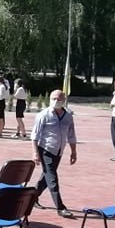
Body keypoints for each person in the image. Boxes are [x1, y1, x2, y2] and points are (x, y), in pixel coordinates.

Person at [31, 89, 77, 219]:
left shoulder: (68, 116)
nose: (56, 101)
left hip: (59, 151)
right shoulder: (43, 115)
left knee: (46, 177)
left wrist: (73, 152)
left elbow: (71, 135)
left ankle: (32, 196)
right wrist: (35, 152)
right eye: (53, 98)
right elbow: (35, 135)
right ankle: (60, 207)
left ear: (64, 100)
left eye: (59, 99)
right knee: (52, 179)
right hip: (46, 149)